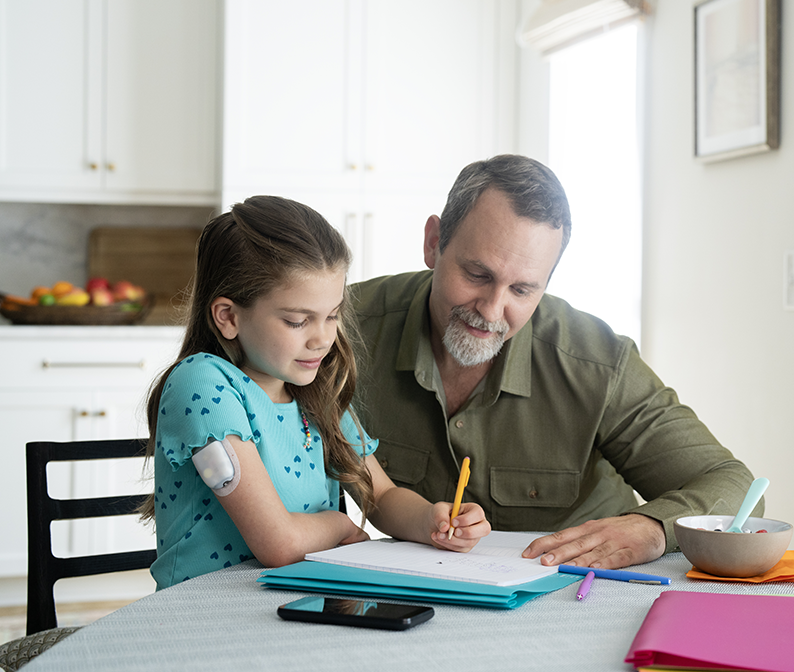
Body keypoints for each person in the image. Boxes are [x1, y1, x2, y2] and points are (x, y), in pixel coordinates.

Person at [351, 155, 761, 571]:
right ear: (433, 243)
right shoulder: (340, 331)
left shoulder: (597, 362)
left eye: (523, 289)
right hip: (420, 594)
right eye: (477, 275)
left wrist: (651, 529)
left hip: (581, 594)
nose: (493, 311)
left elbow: (736, 486)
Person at [141, 195, 489, 589]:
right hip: (206, 612)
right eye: (296, 321)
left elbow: (382, 497)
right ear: (229, 317)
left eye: (333, 315)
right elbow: (278, 543)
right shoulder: (202, 384)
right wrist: (340, 525)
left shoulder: (316, 395)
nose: (323, 339)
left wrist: (432, 520)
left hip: (290, 604)